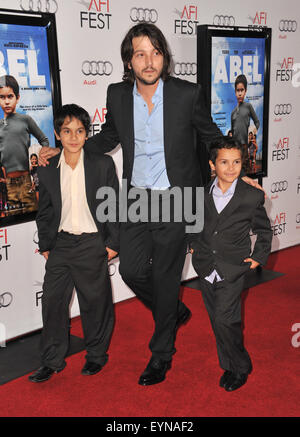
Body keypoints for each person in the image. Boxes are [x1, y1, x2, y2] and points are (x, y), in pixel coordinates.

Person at [39, 23, 262, 386]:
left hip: (178, 199)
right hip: (137, 199)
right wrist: (65, 147)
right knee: (131, 271)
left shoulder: (187, 94)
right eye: (140, 53)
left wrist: (237, 170)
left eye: (155, 52)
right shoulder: (116, 94)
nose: (148, 60)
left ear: (165, 57)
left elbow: (211, 136)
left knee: (164, 276)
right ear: (129, 60)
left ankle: (161, 355)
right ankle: (171, 310)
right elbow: (109, 136)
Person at [29, 104, 119, 383]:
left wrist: (113, 242)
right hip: (61, 244)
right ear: (57, 134)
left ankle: (95, 356)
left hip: (93, 242)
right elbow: (44, 211)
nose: (73, 137)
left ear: (86, 134)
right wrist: (46, 244)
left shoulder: (102, 164)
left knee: (95, 303)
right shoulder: (47, 169)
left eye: (79, 131)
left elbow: (112, 206)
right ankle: (52, 360)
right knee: (53, 302)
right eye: (66, 131)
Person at [191, 137, 272, 391]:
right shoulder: (201, 193)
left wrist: (258, 257)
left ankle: (239, 367)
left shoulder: (251, 196)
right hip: (205, 266)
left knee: (227, 319)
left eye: (236, 162)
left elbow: (264, 230)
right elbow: (194, 222)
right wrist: (193, 243)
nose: (231, 167)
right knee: (218, 320)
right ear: (212, 165)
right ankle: (228, 363)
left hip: (234, 268)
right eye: (224, 162)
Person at [0, 75, 49, 214]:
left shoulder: (25, 120)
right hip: (7, 185)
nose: (7, 101)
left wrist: (41, 158)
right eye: (2, 97)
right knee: (12, 224)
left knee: (32, 220)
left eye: (10, 96)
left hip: (27, 181)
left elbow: (44, 140)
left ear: (18, 97)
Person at [231, 74, 260, 165]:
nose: (240, 93)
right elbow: (232, 131)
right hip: (235, 148)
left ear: (245, 91)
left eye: (242, 90)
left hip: (244, 146)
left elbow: (257, 122)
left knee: (245, 172)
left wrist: (252, 134)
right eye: (237, 90)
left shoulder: (248, 107)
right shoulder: (233, 113)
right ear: (235, 92)